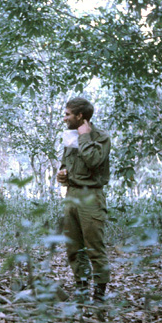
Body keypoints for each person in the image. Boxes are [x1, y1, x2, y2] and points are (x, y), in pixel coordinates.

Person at [56, 97, 111, 303]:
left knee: (94, 247)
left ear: (80, 116)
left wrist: (85, 137)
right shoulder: (69, 137)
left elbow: (94, 160)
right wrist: (61, 174)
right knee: (73, 247)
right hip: (72, 195)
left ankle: (99, 295)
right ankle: (81, 290)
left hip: (91, 197)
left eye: (68, 114)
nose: (64, 118)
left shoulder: (101, 137)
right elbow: (65, 164)